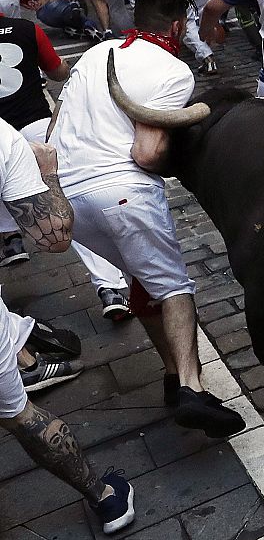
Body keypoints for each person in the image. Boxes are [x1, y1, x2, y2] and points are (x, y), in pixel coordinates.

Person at [48, 0, 246, 438]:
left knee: (144, 281)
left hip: (70, 197)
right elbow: (146, 153)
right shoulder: (174, 71)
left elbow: (58, 120)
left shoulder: (98, 53)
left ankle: (172, 377)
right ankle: (194, 390)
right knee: (175, 287)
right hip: (121, 192)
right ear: (178, 26)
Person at [0, 121, 136, 535]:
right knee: (20, 414)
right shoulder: (4, 139)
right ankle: (105, 499)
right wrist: (49, 173)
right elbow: (55, 237)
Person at [0, 12, 132, 320]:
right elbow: (59, 72)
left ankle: (12, 241)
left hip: (0, 138)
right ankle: (109, 286)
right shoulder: (26, 28)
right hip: (35, 127)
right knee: (66, 211)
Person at [31, 0, 103, 40]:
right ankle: (90, 27)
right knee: (80, 16)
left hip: (42, 14)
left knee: (67, 16)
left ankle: (70, 28)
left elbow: (35, 1)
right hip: (56, 5)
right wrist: (83, 14)